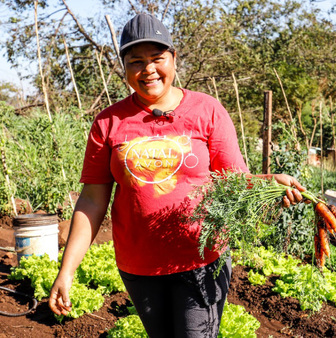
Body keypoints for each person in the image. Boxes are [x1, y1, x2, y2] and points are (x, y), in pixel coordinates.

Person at [49, 13, 305, 337]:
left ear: (173, 58)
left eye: (157, 58)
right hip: (138, 266)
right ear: (124, 66)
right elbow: (91, 201)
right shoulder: (108, 123)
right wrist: (67, 271)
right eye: (136, 61)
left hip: (202, 259)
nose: (149, 70)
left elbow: (236, 180)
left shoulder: (207, 110)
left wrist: (270, 184)